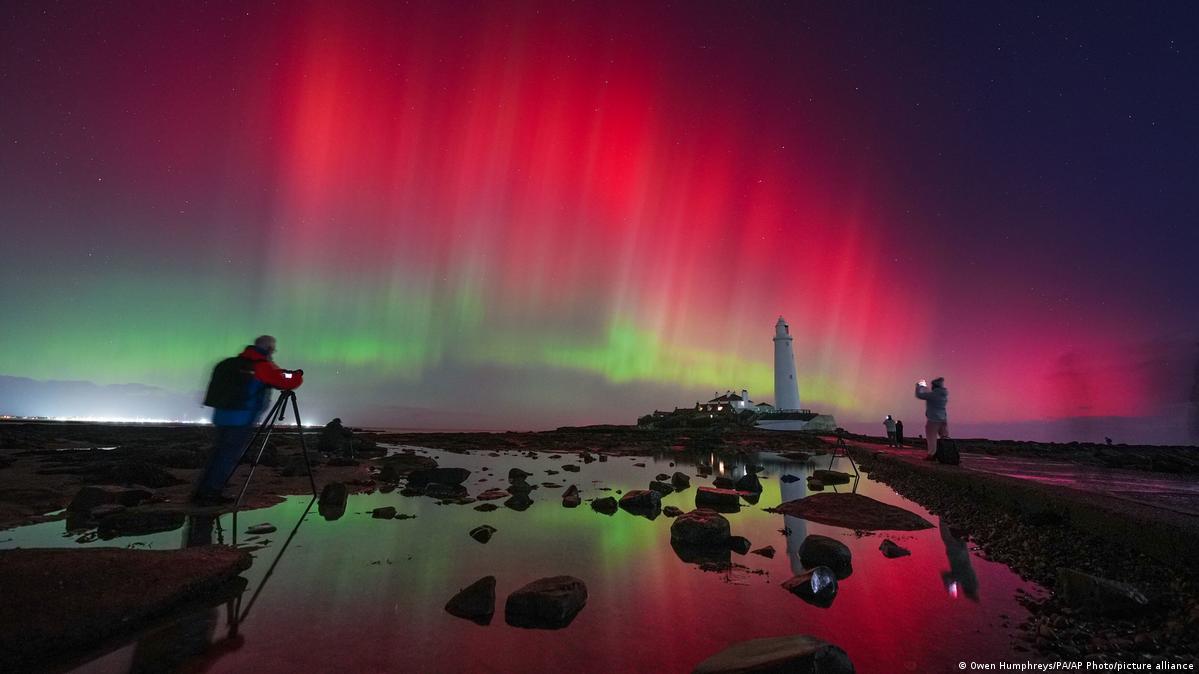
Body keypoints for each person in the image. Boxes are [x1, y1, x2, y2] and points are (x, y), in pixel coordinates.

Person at [194, 335, 303, 505]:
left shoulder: (230, 363)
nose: (273, 352)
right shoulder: (260, 366)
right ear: (267, 349)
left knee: (218, 454)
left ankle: (202, 491)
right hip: (241, 418)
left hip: (221, 416)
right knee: (227, 456)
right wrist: (297, 376)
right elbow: (284, 382)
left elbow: (273, 375)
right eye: (272, 349)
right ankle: (210, 494)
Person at [915, 377, 949, 461]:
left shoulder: (933, 395)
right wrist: (925, 388)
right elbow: (929, 394)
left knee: (931, 437)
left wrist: (918, 386)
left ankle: (931, 455)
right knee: (944, 437)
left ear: (934, 386)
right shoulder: (943, 394)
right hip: (943, 418)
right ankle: (947, 453)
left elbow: (920, 395)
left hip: (933, 419)